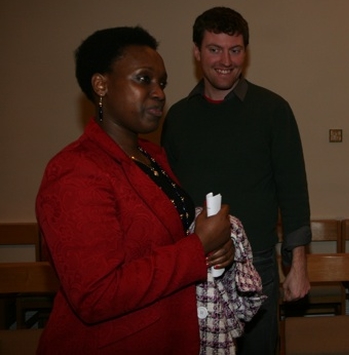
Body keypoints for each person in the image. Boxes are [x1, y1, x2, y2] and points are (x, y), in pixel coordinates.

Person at [35, 26, 235, 354]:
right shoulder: (75, 171)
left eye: (162, 83)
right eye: (143, 79)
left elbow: (164, 240)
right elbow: (97, 295)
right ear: (101, 84)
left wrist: (213, 247)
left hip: (170, 332)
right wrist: (197, 247)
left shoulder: (153, 156)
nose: (158, 92)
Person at [161, 6, 311, 354]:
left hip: (256, 265)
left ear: (246, 51)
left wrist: (298, 266)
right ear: (197, 52)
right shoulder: (178, 118)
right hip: (195, 265)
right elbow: (168, 199)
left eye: (235, 49)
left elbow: (294, 191)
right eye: (214, 49)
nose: (225, 60)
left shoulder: (273, 110)